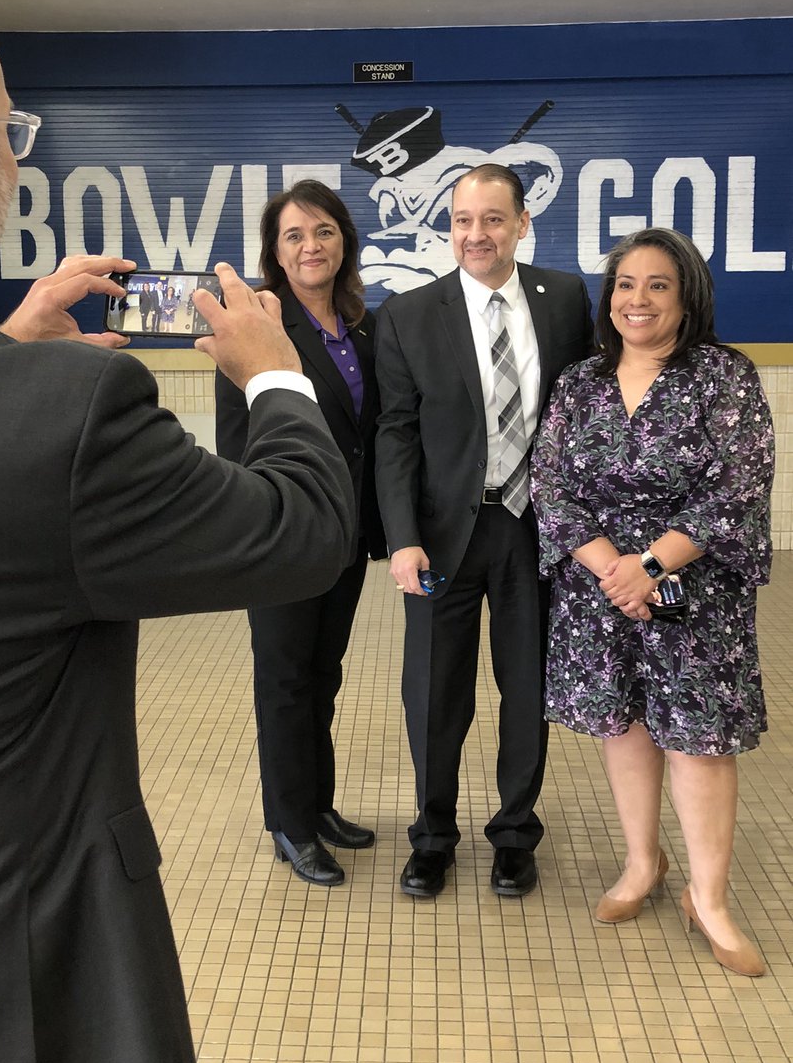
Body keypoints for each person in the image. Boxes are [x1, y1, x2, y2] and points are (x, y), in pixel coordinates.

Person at [0, 0, 355, 1063]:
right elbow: (297, 533)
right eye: (9, 137)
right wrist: (278, 375)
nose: (12, 160)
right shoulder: (59, 413)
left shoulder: (7, 395)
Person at [530, 226, 773, 977]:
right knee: (625, 725)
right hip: (602, 590)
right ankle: (643, 864)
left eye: (658, 285)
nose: (638, 299)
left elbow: (737, 486)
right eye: (625, 285)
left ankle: (711, 899)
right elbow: (552, 485)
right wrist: (615, 572)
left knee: (699, 741)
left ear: (687, 295)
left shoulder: (722, 377)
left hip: (694, 594)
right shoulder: (580, 383)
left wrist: (649, 567)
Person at [374, 163, 593, 900]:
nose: (477, 234)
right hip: (441, 536)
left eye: (493, 219)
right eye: (464, 220)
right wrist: (402, 536)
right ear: (450, 227)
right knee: (434, 692)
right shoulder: (407, 314)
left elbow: (583, 412)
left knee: (524, 686)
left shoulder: (563, 299)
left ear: (522, 223)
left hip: (533, 529)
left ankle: (514, 835)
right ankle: (433, 835)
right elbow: (396, 433)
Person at [215, 180, 387, 886]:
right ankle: (290, 824)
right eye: (294, 236)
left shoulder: (362, 327)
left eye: (322, 231)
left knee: (323, 674)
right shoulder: (256, 329)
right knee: (284, 680)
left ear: (343, 239)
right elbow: (238, 442)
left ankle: (318, 806)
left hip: (342, 535)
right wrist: (257, 529)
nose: (310, 246)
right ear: (275, 253)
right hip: (283, 533)